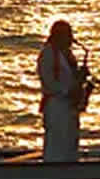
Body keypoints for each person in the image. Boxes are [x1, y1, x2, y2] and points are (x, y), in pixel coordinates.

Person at [37, 20, 94, 162]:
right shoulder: (48, 54)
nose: (71, 39)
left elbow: (69, 77)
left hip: (69, 106)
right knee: (57, 145)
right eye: (68, 35)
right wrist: (70, 90)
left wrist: (80, 78)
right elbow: (49, 82)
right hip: (57, 106)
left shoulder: (67, 54)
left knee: (70, 144)